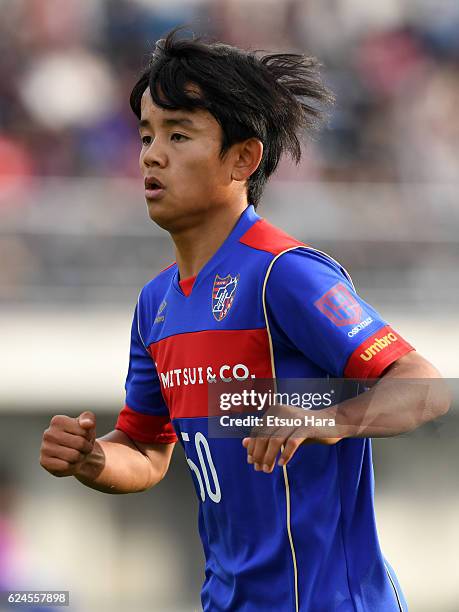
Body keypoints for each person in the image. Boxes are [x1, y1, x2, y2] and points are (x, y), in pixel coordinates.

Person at [39, 28, 449, 611]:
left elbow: (425, 388)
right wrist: (92, 458)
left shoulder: (285, 274)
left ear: (242, 158)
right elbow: (147, 448)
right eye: (147, 135)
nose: (152, 155)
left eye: (179, 135)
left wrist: (328, 418)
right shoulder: (156, 305)